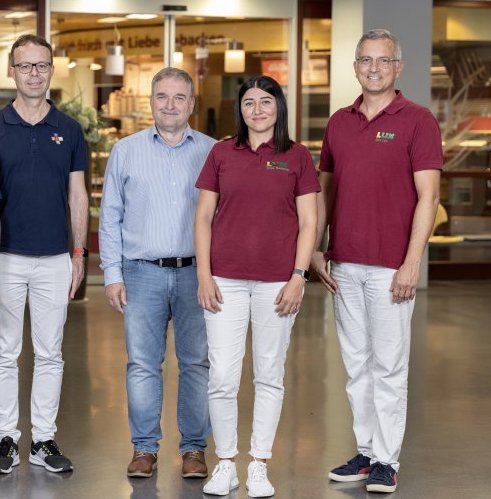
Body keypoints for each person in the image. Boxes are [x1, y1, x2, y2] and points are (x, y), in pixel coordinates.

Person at [311, 29, 442, 493]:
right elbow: (325, 189)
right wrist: (316, 246)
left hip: (391, 266)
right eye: (365, 60)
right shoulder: (339, 122)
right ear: (355, 67)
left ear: (397, 68)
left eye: (383, 60)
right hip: (345, 262)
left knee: (389, 367)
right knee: (356, 365)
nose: (373, 68)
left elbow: (429, 197)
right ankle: (366, 452)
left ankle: (387, 459)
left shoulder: (418, 120)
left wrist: (412, 263)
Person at [195, 75, 320, 497]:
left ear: (278, 107)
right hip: (224, 282)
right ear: (240, 110)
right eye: (249, 103)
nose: (258, 110)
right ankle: (226, 463)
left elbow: (309, 222)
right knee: (223, 377)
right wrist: (204, 275)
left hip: (277, 285)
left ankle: (259, 464)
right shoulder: (220, 152)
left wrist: (299, 277)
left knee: (269, 375)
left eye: (266, 102)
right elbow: (202, 218)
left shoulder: (297, 156)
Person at [99, 67, 216, 479]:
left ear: (192, 104)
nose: (170, 105)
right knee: (143, 364)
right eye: (162, 96)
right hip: (141, 273)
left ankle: (194, 451)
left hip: (196, 274)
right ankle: (144, 448)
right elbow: (110, 216)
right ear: (151, 101)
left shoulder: (212, 151)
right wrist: (112, 274)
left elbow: (224, 217)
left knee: (197, 363)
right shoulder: (126, 151)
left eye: (179, 97)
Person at [0, 34, 89, 474]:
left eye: (41, 65)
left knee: (50, 352)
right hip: (6, 257)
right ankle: (5, 438)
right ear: (12, 71)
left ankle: (43, 439)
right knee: (5, 351)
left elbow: (78, 197)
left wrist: (78, 254)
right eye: (25, 65)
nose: (34, 73)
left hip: (56, 258)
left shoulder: (69, 130)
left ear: (51, 70)